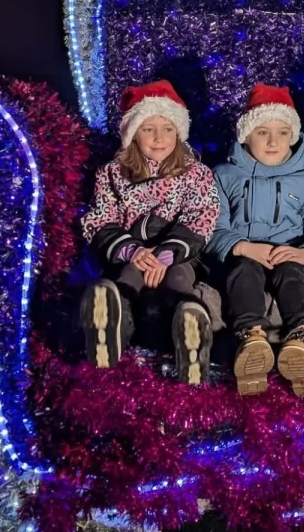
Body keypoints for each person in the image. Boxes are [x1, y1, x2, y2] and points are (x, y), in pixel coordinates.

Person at [79, 80, 220, 385]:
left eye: (168, 129)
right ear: (133, 133)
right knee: (128, 276)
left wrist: (167, 254)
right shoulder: (112, 174)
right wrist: (133, 250)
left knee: (180, 277)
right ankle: (111, 327)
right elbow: (101, 218)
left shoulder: (196, 174)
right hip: (133, 252)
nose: (159, 138)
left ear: (178, 133)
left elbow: (203, 215)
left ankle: (189, 327)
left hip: (177, 254)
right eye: (148, 129)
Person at [207, 84, 304, 398]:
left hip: (287, 254)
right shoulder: (223, 175)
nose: (273, 141)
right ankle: (252, 339)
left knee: (292, 273)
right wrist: (241, 246)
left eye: (281, 132)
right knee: (244, 270)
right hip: (245, 252)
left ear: (292, 136)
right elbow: (212, 228)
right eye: (262, 132)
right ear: (245, 136)